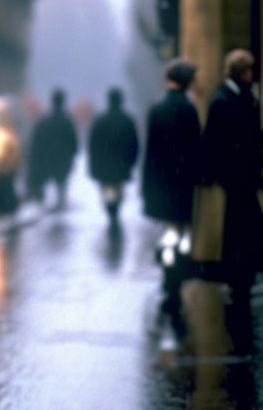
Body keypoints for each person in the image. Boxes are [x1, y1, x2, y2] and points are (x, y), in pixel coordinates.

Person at [197, 48, 263, 349]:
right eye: (248, 70)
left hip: (244, 180)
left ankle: (243, 282)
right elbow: (215, 142)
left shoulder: (243, 96)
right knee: (239, 235)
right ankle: (239, 284)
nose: (252, 74)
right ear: (239, 72)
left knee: (245, 235)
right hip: (236, 181)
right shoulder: (224, 100)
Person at [141, 58, 201, 334]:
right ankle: (175, 283)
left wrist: (146, 186)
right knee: (182, 237)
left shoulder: (156, 109)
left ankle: (168, 279)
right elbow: (195, 151)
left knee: (168, 236)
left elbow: (150, 152)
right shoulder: (188, 110)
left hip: (160, 186)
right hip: (182, 186)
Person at [87, 87, 139, 225]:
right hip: (121, 164)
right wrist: (132, 161)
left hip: (104, 165)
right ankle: (114, 209)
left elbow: (92, 145)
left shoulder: (100, 120)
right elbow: (134, 144)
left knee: (108, 189)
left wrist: (94, 164)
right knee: (117, 188)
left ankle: (111, 209)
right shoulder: (127, 120)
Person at [26, 87, 79, 209]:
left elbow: (36, 144)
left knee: (43, 187)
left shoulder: (44, 122)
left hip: (46, 161)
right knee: (61, 186)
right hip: (62, 163)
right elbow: (74, 144)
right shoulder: (67, 122)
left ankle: (43, 208)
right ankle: (60, 206)